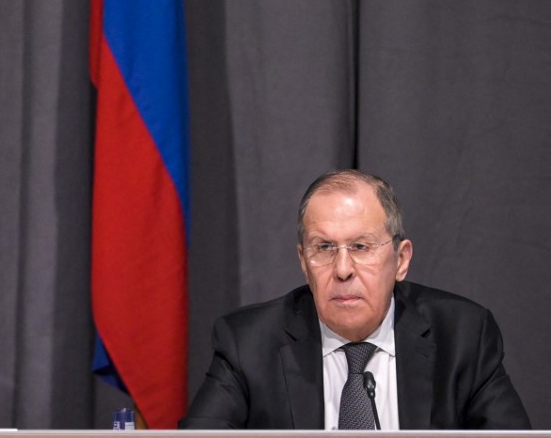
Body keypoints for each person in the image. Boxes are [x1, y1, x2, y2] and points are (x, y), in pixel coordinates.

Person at [181, 169, 530, 430]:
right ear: (303, 261)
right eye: (324, 247)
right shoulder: (249, 343)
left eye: (361, 247)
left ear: (401, 260)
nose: (343, 269)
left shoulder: (463, 335)